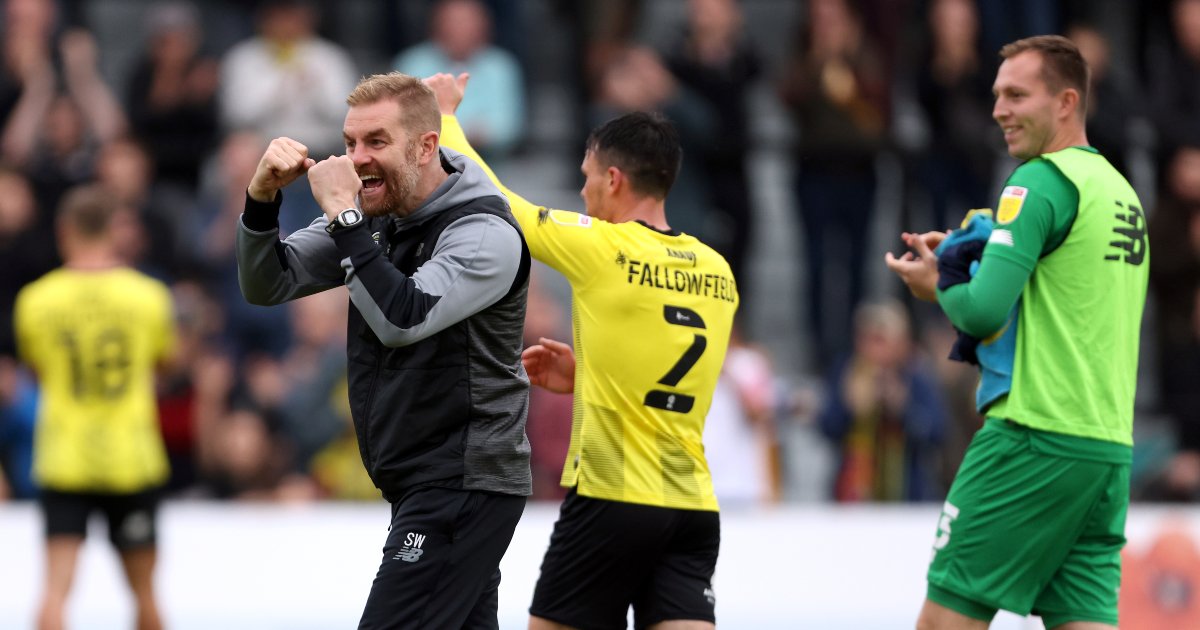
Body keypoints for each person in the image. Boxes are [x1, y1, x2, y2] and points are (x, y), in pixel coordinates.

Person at [429, 72, 739, 630]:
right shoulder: (719, 271)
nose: (582, 192)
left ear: (614, 179)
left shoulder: (605, 248)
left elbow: (495, 203)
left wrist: (446, 115)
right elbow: (672, 371)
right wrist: (588, 376)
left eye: (588, 177)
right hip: (692, 503)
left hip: (613, 494)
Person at [234, 71, 531, 629]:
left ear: (426, 145)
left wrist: (346, 219)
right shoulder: (378, 218)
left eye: (376, 142)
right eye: (350, 143)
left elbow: (403, 317)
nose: (357, 159)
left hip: (463, 481)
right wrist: (261, 199)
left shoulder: (483, 231)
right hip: (424, 481)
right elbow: (267, 284)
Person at [885, 35, 1149, 629]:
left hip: (1033, 437)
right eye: (997, 94)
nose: (999, 109)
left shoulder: (1037, 183)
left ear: (1065, 102)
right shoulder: (1121, 192)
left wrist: (936, 287)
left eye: (1016, 94)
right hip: (1104, 450)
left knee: (943, 623)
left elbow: (980, 312)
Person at [15, 185, 176, 630]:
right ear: (114, 230)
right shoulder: (149, 296)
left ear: (64, 230)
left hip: (65, 456)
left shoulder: (36, 300)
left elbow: (38, 372)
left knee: (54, 592)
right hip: (132, 457)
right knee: (145, 594)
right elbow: (162, 365)